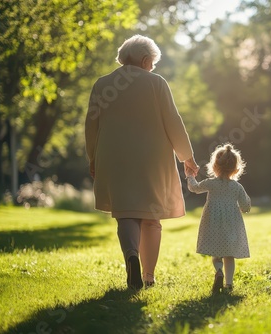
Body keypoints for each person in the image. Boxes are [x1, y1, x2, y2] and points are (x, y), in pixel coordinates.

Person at [85, 35, 199, 290]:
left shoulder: (102, 84)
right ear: (146, 60)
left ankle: (131, 256)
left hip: (114, 157)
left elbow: (91, 126)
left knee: (126, 213)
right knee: (151, 217)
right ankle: (148, 276)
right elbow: (173, 121)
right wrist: (187, 157)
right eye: (152, 63)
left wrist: (93, 157)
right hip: (153, 159)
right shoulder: (156, 83)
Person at [186, 143, 251, 293]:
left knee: (216, 253)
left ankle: (218, 271)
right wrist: (245, 207)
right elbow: (245, 205)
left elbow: (194, 188)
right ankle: (228, 284)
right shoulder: (236, 187)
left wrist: (190, 176)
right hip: (231, 223)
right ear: (235, 168)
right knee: (229, 254)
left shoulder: (211, 183)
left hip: (213, 222)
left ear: (214, 166)